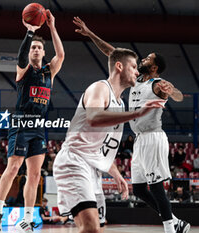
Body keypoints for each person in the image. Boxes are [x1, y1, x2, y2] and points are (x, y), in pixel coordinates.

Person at [73, 17, 190, 233]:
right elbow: (113, 54)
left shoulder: (157, 84)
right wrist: (90, 34)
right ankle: (175, 221)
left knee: (155, 187)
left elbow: (180, 96)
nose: (142, 59)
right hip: (139, 140)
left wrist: (171, 90)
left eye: (147, 58)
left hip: (153, 137)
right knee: (139, 189)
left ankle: (170, 230)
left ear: (154, 67)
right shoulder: (136, 80)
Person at [53, 46, 166, 233]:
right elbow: (93, 117)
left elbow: (102, 147)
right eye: (133, 67)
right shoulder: (100, 88)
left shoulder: (120, 103)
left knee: (97, 228)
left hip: (93, 168)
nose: (137, 72)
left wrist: (116, 173)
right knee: (90, 227)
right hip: (74, 161)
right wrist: (137, 113)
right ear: (120, 67)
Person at [0, 9, 65, 233]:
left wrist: (52, 27)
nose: (36, 50)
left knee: (34, 174)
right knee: (13, 168)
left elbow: (60, 56)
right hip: (21, 121)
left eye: (39, 47)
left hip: (39, 126)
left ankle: (28, 218)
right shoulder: (23, 69)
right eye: (33, 47)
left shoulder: (49, 71)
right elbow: (21, 56)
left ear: (43, 52)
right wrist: (30, 33)